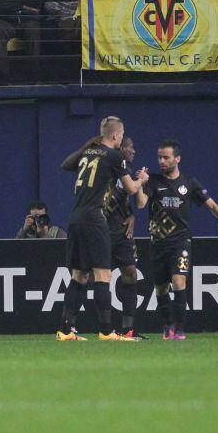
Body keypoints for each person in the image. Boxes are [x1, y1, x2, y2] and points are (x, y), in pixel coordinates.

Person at [56, 116, 148, 341]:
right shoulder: (115, 156)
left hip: (76, 217)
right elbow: (130, 188)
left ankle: (65, 330)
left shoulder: (88, 153)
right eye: (122, 135)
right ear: (116, 135)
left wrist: (87, 146)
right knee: (103, 273)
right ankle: (106, 330)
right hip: (95, 219)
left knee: (79, 274)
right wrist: (143, 180)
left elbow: (66, 165)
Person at [136, 139, 218, 340]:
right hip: (158, 243)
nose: (162, 161)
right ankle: (168, 324)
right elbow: (141, 204)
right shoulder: (153, 181)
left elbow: (212, 205)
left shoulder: (189, 183)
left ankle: (179, 328)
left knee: (179, 280)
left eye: (166, 157)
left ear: (177, 159)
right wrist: (139, 184)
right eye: (159, 157)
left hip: (181, 241)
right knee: (161, 287)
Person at [103, 137, 146, 340]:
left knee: (130, 273)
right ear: (121, 148)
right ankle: (102, 329)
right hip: (102, 230)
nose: (134, 151)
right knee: (93, 277)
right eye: (131, 147)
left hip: (121, 232)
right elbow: (118, 193)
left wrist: (131, 215)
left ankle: (127, 329)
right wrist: (139, 183)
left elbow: (137, 203)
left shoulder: (127, 170)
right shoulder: (107, 167)